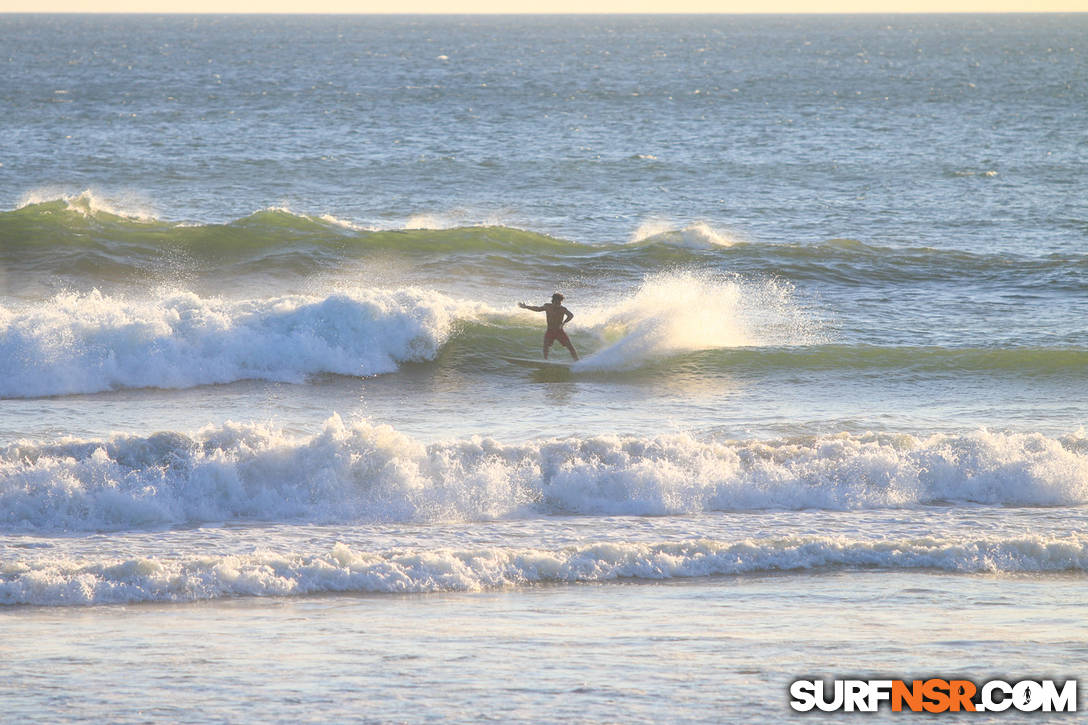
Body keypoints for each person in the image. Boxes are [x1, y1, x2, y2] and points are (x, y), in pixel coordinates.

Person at [518, 292, 579, 360]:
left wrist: (563, 323)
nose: (558, 304)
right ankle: (546, 361)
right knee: (545, 346)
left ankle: (577, 360)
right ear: (553, 301)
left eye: (560, 303)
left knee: (570, 347)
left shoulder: (562, 309)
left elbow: (571, 315)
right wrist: (526, 307)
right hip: (550, 331)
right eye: (557, 302)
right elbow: (538, 309)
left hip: (559, 331)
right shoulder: (547, 306)